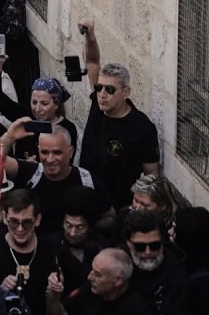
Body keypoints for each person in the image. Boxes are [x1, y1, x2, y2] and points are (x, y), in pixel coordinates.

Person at [78, 22, 161, 211]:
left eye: (109, 89)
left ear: (125, 92)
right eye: (99, 88)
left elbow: (151, 176)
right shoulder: (98, 105)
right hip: (86, 196)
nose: (102, 94)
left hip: (117, 206)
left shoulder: (141, 128)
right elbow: (92, 62)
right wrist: (90, 36)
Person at [0, 188, 56, 315]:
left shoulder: (51, 250)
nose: (20, 229)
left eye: (27, 223)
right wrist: (0, 291)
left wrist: (55, 294)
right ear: (5, 218)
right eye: (14, 222)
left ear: (37, 220)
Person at [120, 208, 189, 315]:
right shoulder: (116, 263)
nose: (148, 252)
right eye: (140, 246)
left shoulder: (176, 273)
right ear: (128, 242)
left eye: (154, 245)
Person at [45, 248, 153, 315]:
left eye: (98, 274)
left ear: (118, 280)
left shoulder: (136, 308)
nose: (89, 277)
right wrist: (54, 296)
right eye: (92, 270)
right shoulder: (90, 290)